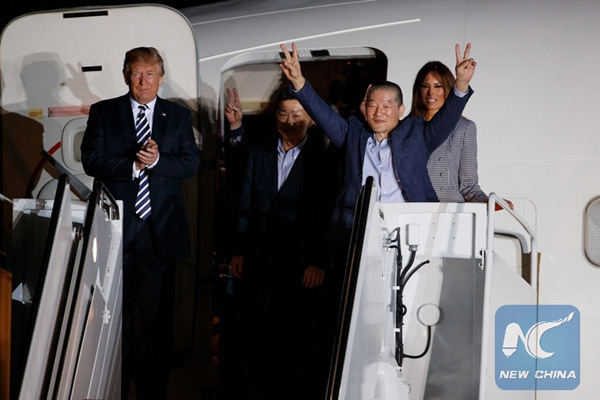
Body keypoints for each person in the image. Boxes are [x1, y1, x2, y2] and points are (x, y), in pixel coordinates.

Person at [80, 47, 200, 399]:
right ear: (125, 76)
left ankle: (151, 391)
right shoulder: (104, 112)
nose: (143, 81)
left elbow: (190, 164)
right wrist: (133, 166)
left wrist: (158, 160)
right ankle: (112, 385)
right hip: (115, 231)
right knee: (112, 317)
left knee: (154, 322)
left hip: (159, 235)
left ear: (161, 77)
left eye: (150, 74)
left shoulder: (177, 116)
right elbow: (91, 158)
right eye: (136, 73)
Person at [279, 42, 476, 239]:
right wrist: (298, 81)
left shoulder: (416, 135)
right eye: (372, 105)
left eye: (386, 105)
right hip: (360, 231)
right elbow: (322, 114)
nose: (378, 112)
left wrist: (461, 84)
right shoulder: (353, 135)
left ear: (400, 110)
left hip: (409, 229)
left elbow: (448, 118)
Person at [224, 87, 339, 399]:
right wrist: (239, 250)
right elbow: (244, 201)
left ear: (311, 120)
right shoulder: (259, 152)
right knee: (256, 333)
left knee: (295, 337)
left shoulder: (324, 161)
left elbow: (328, 214)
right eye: (284, 114)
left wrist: (318, 260)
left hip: (302, 264)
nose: (290, 121)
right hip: (259, 259)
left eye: (298, 115)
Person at [409, 61, 513, 209]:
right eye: (425, 86)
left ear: (448, 88)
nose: (431, 93)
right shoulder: (404, 129)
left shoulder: (465, 128)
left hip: (450, 211)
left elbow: (469, 186)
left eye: (438, 86)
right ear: (418, 90)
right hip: (410, 210)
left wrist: (486, 202)